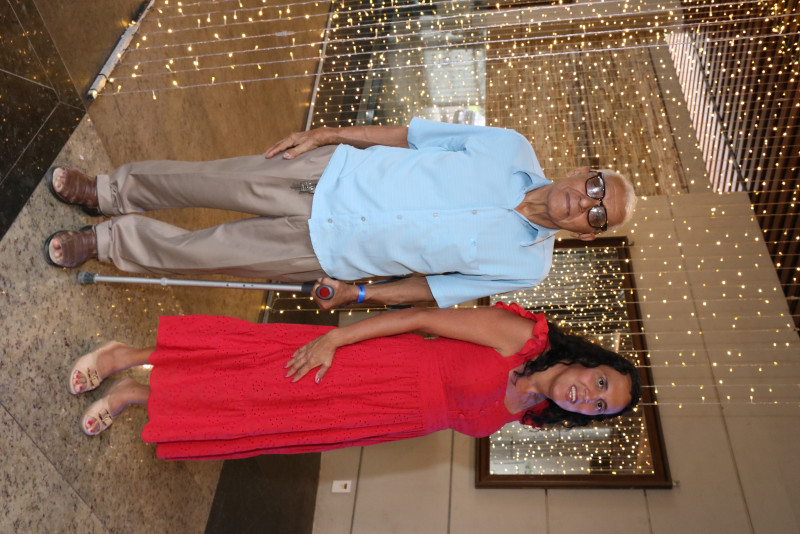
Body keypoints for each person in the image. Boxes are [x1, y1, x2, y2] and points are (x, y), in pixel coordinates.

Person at [44, 119, 637, 310]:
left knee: (202, 253)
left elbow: (432, 290)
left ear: (590, 235)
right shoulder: (509, 146)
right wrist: (328, 133)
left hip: (329, 253)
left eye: (598, 215)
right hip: (328, 176)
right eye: (595, 187)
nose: (585, 203)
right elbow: (411, 135)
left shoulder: (528, 267)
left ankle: (107, 243)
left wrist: (358, 295)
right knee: (202, 179)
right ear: (582, 170)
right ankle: (106, 191)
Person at [70, 302, 641, 460]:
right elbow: (419, 318)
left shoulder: (525, 413)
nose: (587, 398)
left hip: (369, 417)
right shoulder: (520, 338)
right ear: (590, 361)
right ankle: (127, 356)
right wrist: (337, 339)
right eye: (601, 385)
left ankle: (134, 395)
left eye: (598, 408)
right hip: (373, 367)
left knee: (252, 410)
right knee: (252, 368)